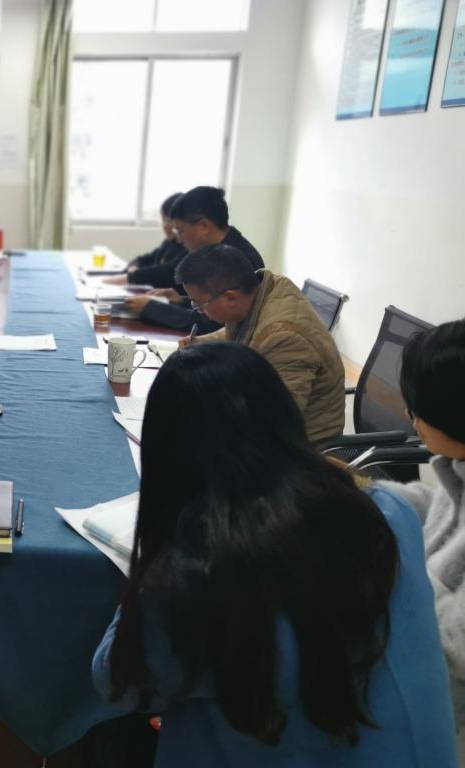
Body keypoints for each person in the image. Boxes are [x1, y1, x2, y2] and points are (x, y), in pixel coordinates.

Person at [92, 342, 458, 767]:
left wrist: (150, 563)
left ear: (167, 457)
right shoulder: (388, 514)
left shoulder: (195, 576)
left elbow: (116, 682)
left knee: (119, 734)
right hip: (412, 754)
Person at [377, 319, 465, 748]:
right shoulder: (460, 463)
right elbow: (443, 514)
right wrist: (367, 496)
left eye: (416, 408)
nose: (409, 417)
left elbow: (453, 648)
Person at [176, 244, 345, 442]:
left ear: (230, 298)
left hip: (299, 448)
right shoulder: (262, 291)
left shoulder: (285, 339)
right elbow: (244, 331)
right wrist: (200, 343)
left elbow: (273, 422)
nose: (199, 311)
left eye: (199, 304)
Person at [121, 186, 264, 333]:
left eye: (181, 231)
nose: (178, 239)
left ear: (204, 226)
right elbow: (212, 304)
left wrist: (151, 308)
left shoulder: (239, 259)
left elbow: (214, 324)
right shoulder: (216, 250)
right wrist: (180, 300)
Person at [102, 193, 186, 288]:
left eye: (169, 220)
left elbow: (166, 270)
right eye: (163, 220)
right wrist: (133, 267)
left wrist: (130, 277)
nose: (165, 225)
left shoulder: (188, 248)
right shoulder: (169, 242)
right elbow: (145, 259)